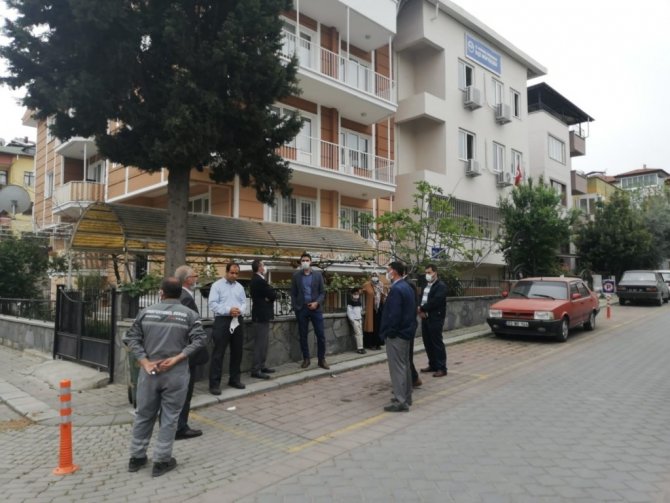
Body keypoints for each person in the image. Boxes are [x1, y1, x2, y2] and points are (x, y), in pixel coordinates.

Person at [123, 277, 207, 477]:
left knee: (144, 415)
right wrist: (178, 357)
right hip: (176, 374)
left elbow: (131, 337)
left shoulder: (145, 312)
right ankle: (161, 461)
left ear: (161, 292)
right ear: (180, 293)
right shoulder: (190, 315)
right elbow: (200, 340)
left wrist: (144, 361)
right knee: (170, 417)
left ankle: (136, 457)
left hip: (150, 372)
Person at [173, 265, 207, 440]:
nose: (197, 278)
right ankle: (180, 427)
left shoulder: (179, 295)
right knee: (185, 392)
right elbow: (189, 328)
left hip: (179, 352)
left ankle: (174, 424)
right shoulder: (185, 298)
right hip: (186, 353)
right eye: (195, 275)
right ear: (187, 279)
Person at [379, 262, 417, 412]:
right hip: (406, 332)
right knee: (404, 365)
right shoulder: (407, 287)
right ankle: (406, 397)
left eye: (388, 270)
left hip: (397, 335)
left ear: (394, 272)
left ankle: (400, 400)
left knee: (397, 368)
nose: (387, 273)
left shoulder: (396, 289)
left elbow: (394, 315)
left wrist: (390, 332)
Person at [208, 262, 246, 394]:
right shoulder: (217, 285)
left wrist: (239, 310)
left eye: (236, 273)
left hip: (237, 319)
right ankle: (214, 384)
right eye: (232, 273)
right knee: (218, 353)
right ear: (226, 272)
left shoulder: (240, 287)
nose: (234, 275)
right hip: (222, 320)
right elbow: (212, 304)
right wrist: (228, 310)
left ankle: (234, 379)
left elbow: (244, 302)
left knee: (237, 351)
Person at [290, 252, 328, 370]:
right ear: (300, 262)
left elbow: (322, 293)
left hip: (316, 309)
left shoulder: (318, 275)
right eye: (303, 261)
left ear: (310, 262)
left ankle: (321, 360)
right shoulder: (296, 276)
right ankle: (306, 359)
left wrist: (316, 303)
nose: (305, 262)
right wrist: (296, 307)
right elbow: (293, 293)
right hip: (302, 309)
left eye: (307, 260)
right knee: (303, 335)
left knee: (320, 335)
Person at [418, 264, 448, 377]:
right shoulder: (426, 285)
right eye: (426, 272)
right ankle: (433, 365)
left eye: (429, 272)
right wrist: (420, 309)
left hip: (435, 317)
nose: (427, 275)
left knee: (436, 342)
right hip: (425, 317)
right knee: (428, 342)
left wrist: (422, 308)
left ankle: (442, 368)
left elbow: (436, 301)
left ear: (435, 272)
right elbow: (421, 298)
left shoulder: (441, 286)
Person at [249, 259, 277, 380]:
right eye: (263, 265)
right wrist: (269, 297)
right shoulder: (258, 280)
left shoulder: (258, 279)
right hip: (260, 316)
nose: (264, 267)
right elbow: (273, 295)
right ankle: (256, 369)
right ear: (259, 267)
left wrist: (268, 297)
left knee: (263, 343)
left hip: (262, 316)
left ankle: (262, 366)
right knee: (260, 344)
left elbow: (269, 295)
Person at [361, 272, 386, 350]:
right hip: (370, 309)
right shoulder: (367, 285)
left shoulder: (381, 285)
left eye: (376, 275)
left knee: (378, 326)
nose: (374, 277)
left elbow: (383, 297)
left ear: (378, 276)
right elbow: (361, 294)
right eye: (373, 275)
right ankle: (370, 344)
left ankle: (378, 343)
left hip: (379, 308)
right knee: (371, 326)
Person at [346, 288, 365, 354]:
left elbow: (360, 310)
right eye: (355, 294)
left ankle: (361, 347)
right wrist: (352, 320)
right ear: (352, 294)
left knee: (361, 334)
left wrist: (360, 318)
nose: (357, 295)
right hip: (354, 320)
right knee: (358, 333)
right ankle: (360, 348)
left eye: (357, 294)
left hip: (359, 319)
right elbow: (349, 312)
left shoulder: (359, 302)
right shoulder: (350, 302)